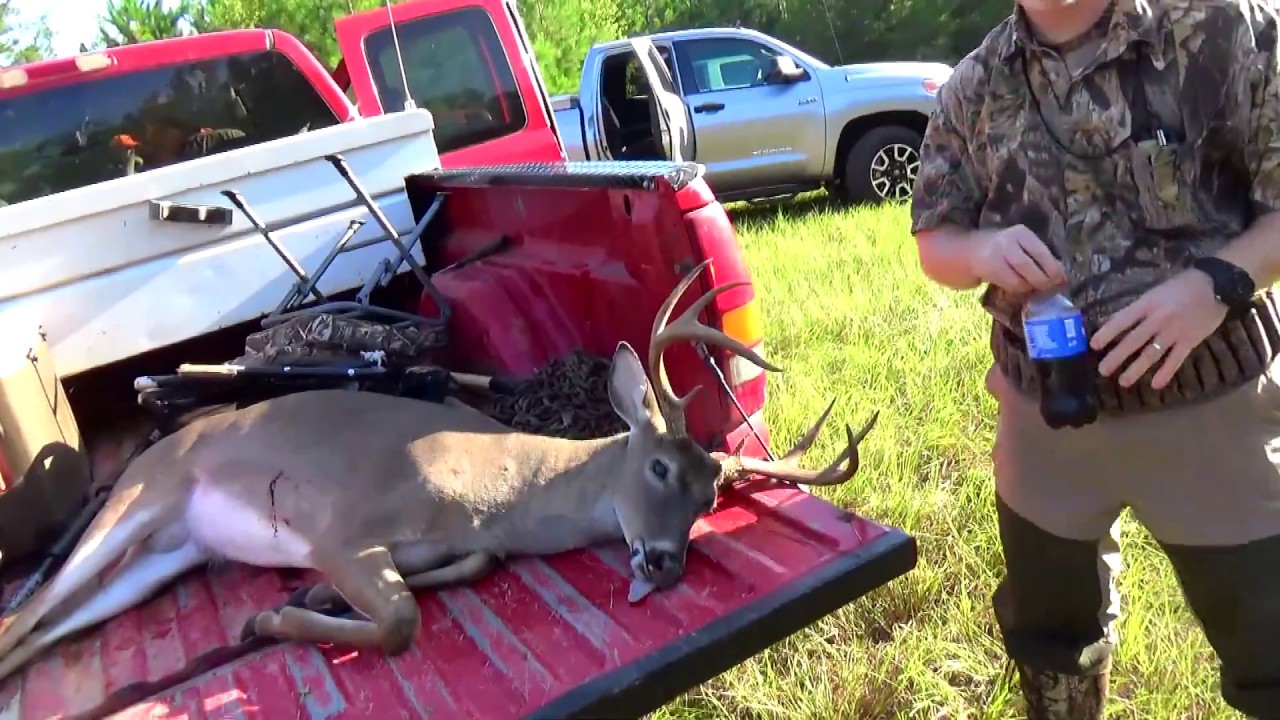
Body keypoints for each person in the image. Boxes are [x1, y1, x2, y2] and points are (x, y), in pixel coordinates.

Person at [910, 0, 1280, 718]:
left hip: (1215, 414)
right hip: (1045, 423)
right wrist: (981, 251)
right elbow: (935, 239)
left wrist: (1216, 284)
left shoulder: (1224, 29)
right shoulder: (974, 86)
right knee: (1051, 649)